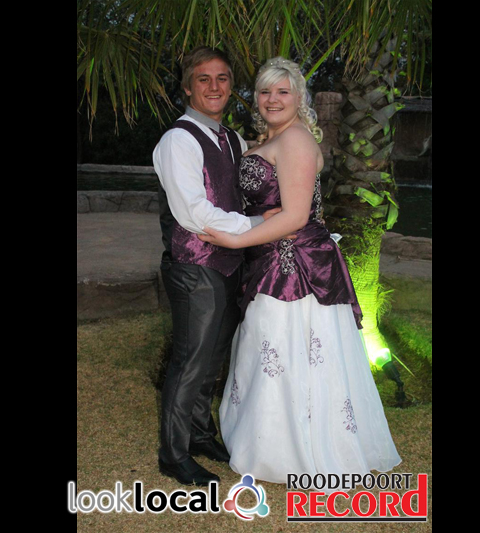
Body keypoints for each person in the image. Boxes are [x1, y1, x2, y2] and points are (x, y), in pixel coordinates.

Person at [199, 57, 402, 489]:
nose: (272, 99)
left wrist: (233, 239)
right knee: (269, 351)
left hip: (294, 268)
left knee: (287, 351)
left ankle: (292, 452)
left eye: (283, 91)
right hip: (270, 257)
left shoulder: (295, 140)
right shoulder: (269, 139)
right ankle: (268, 443)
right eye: (265, 91)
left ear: (299, 98)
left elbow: (294, 217)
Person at [153, 47, 284, 487]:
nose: (214, 86)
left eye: (222, 78)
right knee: (190, 361)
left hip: (230, 264)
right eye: (203, 79)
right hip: (195, 266)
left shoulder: (231, 139)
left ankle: (199, 434)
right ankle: (173, 455)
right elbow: (194, 212)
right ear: (188, 88)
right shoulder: (178, 140)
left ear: (231, 87)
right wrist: (256, 224)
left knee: (211, 361)